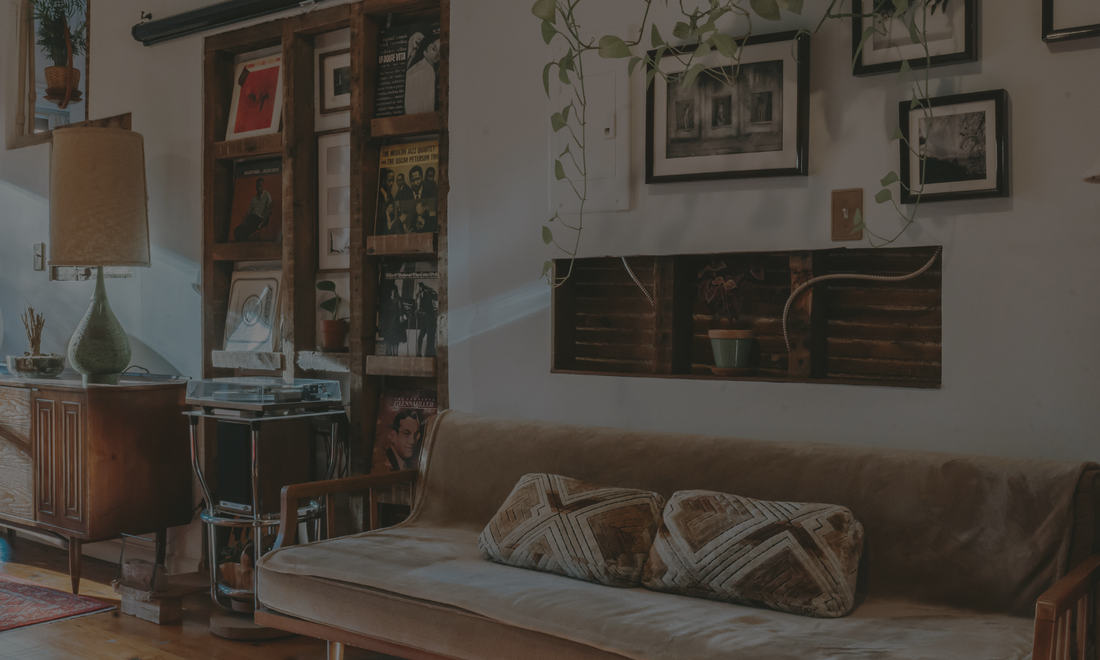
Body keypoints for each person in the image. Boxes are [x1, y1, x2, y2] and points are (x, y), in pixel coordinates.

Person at [404, 35, 440, 114]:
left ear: (436, 59)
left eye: (434, 48)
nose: (429, 46)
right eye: (432, 43)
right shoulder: (422, 62)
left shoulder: (426, 75)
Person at [233, 177, 274, 241]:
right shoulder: (253, 199)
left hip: (260, 220)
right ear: (255, 187)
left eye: (260, 186)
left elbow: (270, 211)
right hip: (251, 219)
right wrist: (244, 220)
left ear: (263, 186)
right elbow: (249, 213)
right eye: (257, 186)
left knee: (245, 231)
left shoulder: (267, 195)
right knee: (236, 230)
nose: (259, 188)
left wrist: (269, 210)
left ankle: (244, 246)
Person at [415, 281, 437, 357]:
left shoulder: (427, 294)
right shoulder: (418, 296)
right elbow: (418, 306)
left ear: (420, 288)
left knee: (429, 337)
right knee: (420, 336)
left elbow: (427, 306)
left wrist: (421, 311)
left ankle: (429, 354)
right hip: (423, 321)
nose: (416, 289)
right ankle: (418, 353)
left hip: (429, 320)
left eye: (417, 287)